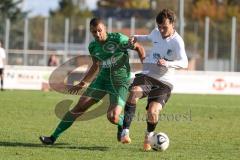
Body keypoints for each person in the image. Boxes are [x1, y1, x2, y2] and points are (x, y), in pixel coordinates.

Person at [39, 18, 145, 145]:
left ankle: (121, 124)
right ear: (91, 32)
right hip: (102, 80)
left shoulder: (118, 39)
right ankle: (52, 137)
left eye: (100, 30)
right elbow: (95, 65)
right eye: (94, 32)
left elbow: (138, 47)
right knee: (78, 108)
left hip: (120, 82)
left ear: (105, 28)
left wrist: (146, 66)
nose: (98, 34)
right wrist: (83, 82)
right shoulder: (93, 46)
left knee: (113, 117)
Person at [120, 9, 188, 151]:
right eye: (159, 26)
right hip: (148, 75)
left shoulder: (177, 42)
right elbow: (149, 37)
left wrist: (168, 63)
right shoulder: (156, 32)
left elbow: (185, 63)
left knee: (153, 111)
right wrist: (136, 37)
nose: (161, 30)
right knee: (134, 92)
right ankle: (125, 131)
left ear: (172, 24)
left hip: (164, 82)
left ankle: (149, 135)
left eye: (165, 27)